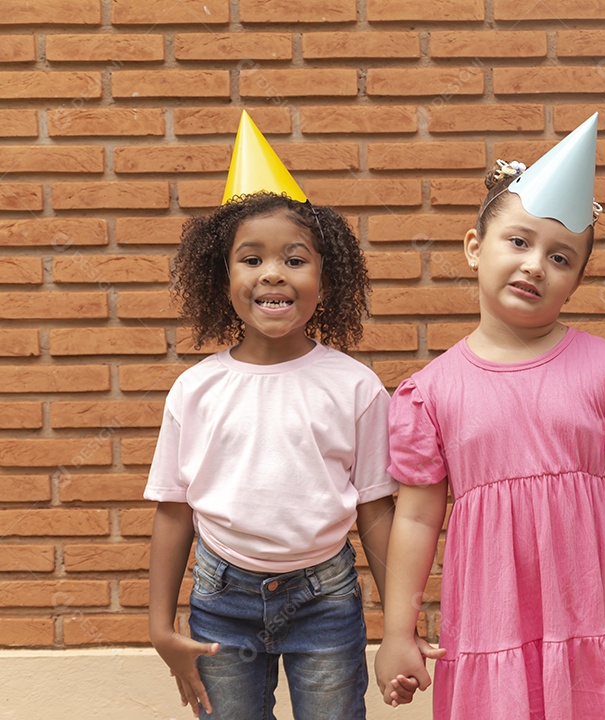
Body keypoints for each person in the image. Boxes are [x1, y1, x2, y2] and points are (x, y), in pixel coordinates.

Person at [373, 114, 605, 719]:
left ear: (576, 281)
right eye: (518, 242)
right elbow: (414, 519)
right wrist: (396, 633)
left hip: (595, 615)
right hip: (493, 627)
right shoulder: (429, 394)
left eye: (560, 256)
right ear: (473, 247)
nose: (536, 264)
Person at [145, 111, 409, 719]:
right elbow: (173, 508)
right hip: (220, 598)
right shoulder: (196, 389)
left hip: (327, 596)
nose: (272, 273)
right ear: (224, 275)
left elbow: (375, 509)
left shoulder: (355, 386)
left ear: (326, 276)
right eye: (251, 258)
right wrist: (160, 625)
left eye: (294, 259)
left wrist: (401, 620)